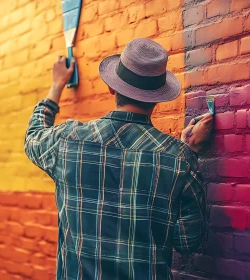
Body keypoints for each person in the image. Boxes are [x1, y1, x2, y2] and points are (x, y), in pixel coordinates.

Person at [24, 38, 213, 280]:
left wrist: (57, 86)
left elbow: (33, 135)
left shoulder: (67, 141)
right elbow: (187, 242)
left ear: (112, 88)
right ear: (158, 97)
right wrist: (189, 152)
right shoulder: (178, 159)